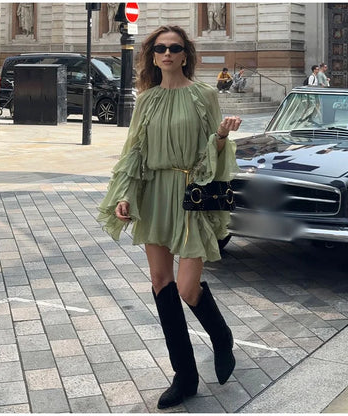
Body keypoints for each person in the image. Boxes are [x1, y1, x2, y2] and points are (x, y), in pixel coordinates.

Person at [97, 25, 241, 410]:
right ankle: (185, 376)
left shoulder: (204, 95)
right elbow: (134, 152)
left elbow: (212, 150)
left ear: (184, 55)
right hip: (154, 194)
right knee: (161, 283)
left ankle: (221, 336)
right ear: (152, 55)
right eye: (159, 48)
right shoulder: (146, 100)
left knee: (187, 288)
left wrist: (223, 137)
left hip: (190, 193)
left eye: (174, 48)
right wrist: (125, 194)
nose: (166, 53)